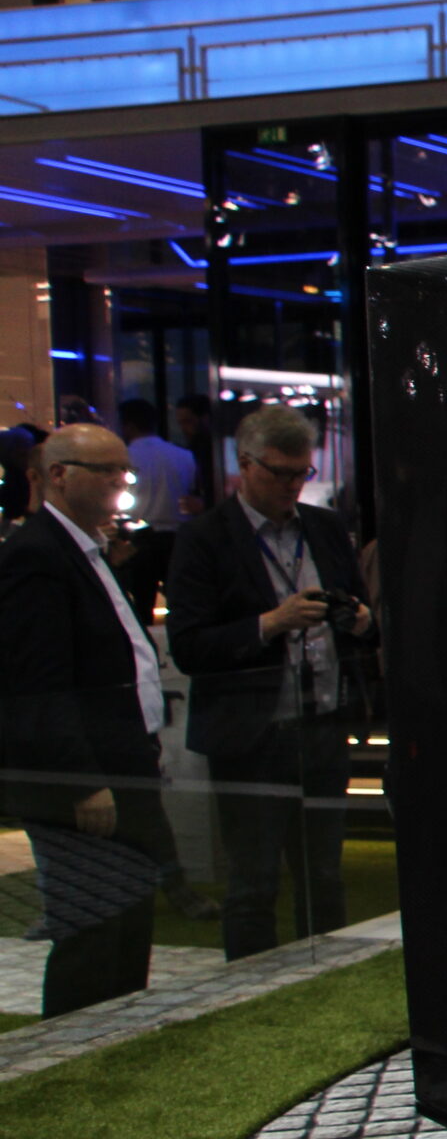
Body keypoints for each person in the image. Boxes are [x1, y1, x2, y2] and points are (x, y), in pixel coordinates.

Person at [167, 403, 376, 960]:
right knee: (254, 881)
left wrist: (360, 621)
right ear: (245, 464)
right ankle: (249, 987)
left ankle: (327, 978)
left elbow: (364, 619)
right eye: (280, 473)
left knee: (323, 875)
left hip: (322, 726)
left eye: (301, 473)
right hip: (251, 738)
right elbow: (188, 646)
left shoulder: (324, 528)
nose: (292, 485)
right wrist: (270, 623)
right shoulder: (205, 538)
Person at [0, 424, 180, 1012]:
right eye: (106, 470)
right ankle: (79, 1046)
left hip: (123, 762)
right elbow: (37, 686)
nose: (120, 481)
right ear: (59, 475)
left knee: (125, 923)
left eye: (123, 469)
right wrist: (81, 780)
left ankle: (118, 1037)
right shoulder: (36, 555)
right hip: (88, 777)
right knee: (94, 931)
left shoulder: (86, 549)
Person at [115, 397, 201, 619]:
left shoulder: (125, 457)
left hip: (141, 538)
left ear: (128, 425)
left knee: (140, 606)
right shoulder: (184, 455)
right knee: (181, 604)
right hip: (178, 537)